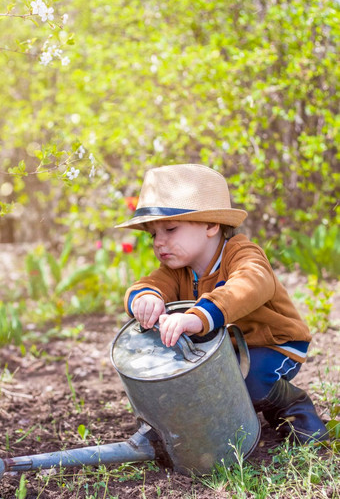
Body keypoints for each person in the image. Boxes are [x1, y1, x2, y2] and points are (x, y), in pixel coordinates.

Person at [116, 163, 328, 444]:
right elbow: (148, 285)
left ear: (211, 225)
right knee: (203, 390)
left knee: (247, 386)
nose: (159, 242)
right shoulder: (176, 271)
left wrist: (201, 315)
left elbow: (251, 283)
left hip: (273, 343)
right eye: (154, 234)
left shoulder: (240, 254)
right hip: (225, 352)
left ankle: (292, 407)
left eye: (170, 228)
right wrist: (144, 298)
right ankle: (232, 422)